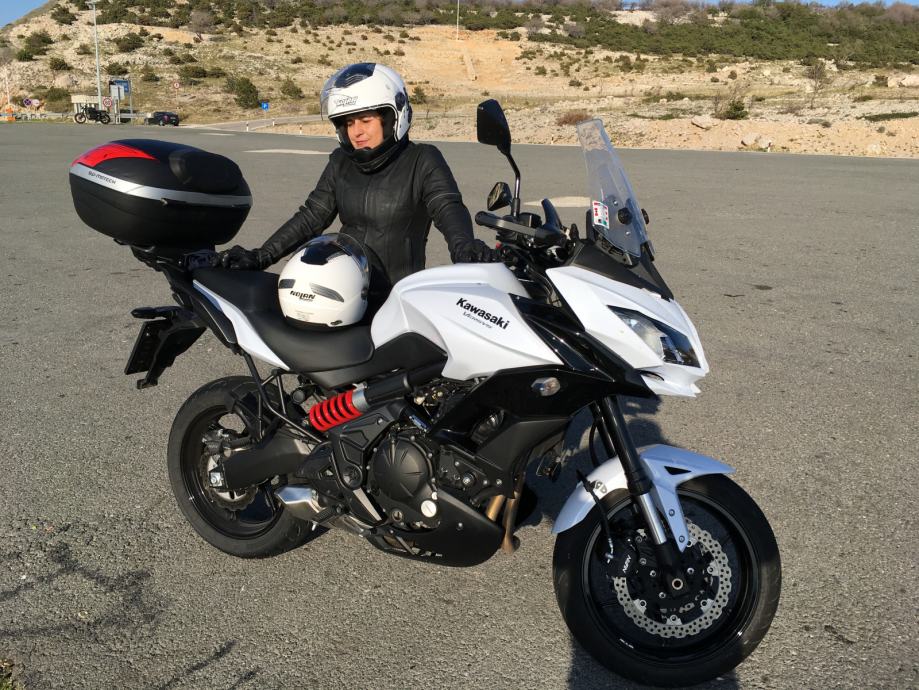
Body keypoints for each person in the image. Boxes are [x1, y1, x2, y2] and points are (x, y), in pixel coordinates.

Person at [217, 63, 499, 304]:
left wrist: (464, 247)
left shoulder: (422, 160)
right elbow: (312, 216)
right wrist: (261, 256)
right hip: (344, 294)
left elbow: (447, 206)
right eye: (349, 123)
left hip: (397, 299)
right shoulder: (341, 161)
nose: (357, 132)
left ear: (392, 118)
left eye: (365, 120)